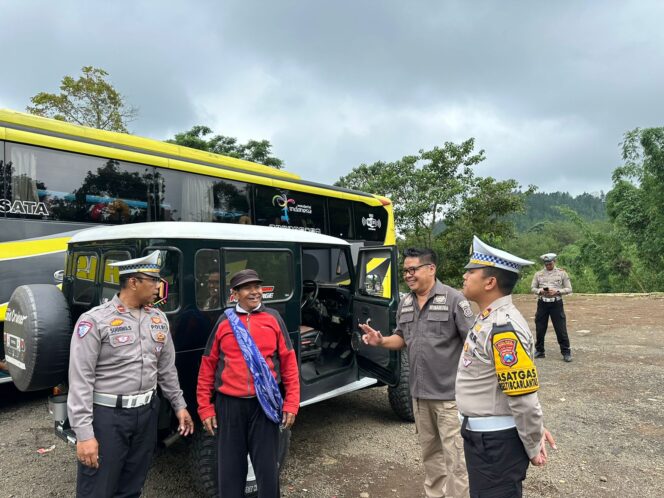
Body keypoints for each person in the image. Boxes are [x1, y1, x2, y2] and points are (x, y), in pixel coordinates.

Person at [67, 250, 194, 498]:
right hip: (107, 418)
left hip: (146, 414)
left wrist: (179, 405)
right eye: (154, 280)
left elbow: (166, 369)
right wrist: (84, 434)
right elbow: (81, 380)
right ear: (133, 282)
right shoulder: (95, 321)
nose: (159, 286)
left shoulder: (158, 319)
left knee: (132, 487)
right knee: (98, 489)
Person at [361, 247, 473, 498]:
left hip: (449, 398)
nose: (408, 276)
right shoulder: (406, 302)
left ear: (430, 269)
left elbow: (473, 345)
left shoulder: (454, 299)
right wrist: (381, 341)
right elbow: (401, 338)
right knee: (431, 455)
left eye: (413, 270)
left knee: (457, 458)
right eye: (405, 271)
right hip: (420, 397)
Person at [456, 236, 556, 498]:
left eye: (471, 272)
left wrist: (533, 443)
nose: (465, 276)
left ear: (490, 282)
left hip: (495, 445)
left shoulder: (503, 329)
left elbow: (523, 397)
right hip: (485, 438)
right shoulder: (487, 318)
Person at [197, 268, 300, 498]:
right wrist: (205, 406)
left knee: (267, 471)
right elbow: (208, 365)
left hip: (264, 407)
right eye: (247, 287)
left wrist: (292, 402)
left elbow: (289, 363)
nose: (254, 292)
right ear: (235, 294)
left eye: (257, 286)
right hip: (229, 406)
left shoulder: (273, 319)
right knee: (230, 472)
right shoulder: (225, 322)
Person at [531, 252, 573, 362]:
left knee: (560, 328)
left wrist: (557, 291)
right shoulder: (538, 274)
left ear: (554, 262)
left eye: (550, 263)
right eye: (546, 264)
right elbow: (533, 288)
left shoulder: (562, 273)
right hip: (542, 303)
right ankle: (540, 351)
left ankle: (566, 352)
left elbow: (569, 289)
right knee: (540, 328)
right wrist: (541, 291)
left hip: (556, 303)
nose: (548, 265)